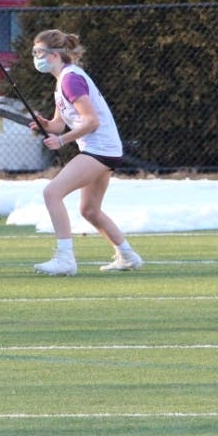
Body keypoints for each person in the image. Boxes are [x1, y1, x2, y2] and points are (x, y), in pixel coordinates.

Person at [28, 29, 143, 276]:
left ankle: (65, 259)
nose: (35, 57)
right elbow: (59, 124)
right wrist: (46, 125)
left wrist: (61, 141)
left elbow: (91, 121)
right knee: (89, 210)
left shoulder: (70, 80)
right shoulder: (62, 80)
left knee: (52, 193)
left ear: (54, 55)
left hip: (100, 149)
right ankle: (128, 256)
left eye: (39, 52)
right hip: (103, 149)